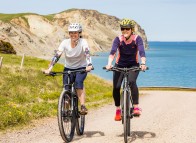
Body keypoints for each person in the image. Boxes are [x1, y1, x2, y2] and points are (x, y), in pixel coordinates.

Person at [44, 23, 93, 115]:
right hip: (68, 68)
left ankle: (82, 106)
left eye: (75, 32)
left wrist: (89, 64)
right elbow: (57, 55)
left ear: (79, 33)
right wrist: (50, 68)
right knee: (66, 89)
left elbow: (87, 53)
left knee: (78, 83)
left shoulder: (83, 42)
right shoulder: (65, 43)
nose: (73, 35)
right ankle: (66, 111)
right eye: (71, 33)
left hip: (81, 68)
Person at [105, 18, 147, 121]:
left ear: (131, 29)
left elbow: (141, 51)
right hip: (119, 65)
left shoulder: (137, 39)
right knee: (116, 87)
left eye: (127, 29)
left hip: (133, 65)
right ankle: (118, 109)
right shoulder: (118, 39)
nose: (124, 31)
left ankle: (136, 107)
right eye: (122, 29)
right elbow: (113, 52)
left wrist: (143, 63)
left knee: (132, 82)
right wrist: (109, 64)